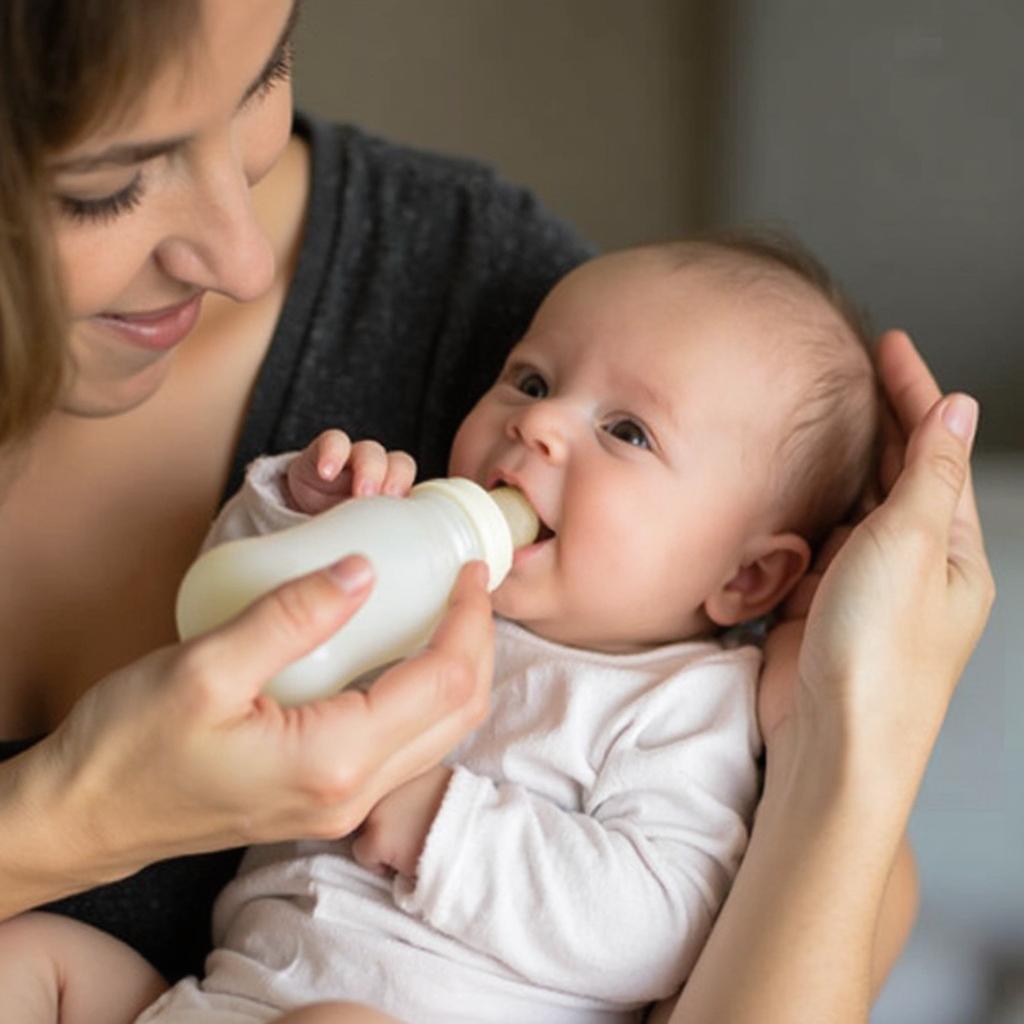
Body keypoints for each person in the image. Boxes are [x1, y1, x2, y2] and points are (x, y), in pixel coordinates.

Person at [0, 1, 993, 1023]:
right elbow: (241, 629)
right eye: (527, 378)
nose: (539, 427)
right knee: (28, 959)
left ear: (743, 579)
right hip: (215, 999)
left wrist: (443, 823)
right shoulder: (427, 593)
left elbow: (661, 918)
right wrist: (295, 515)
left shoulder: (684, 711)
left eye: (627, 434)